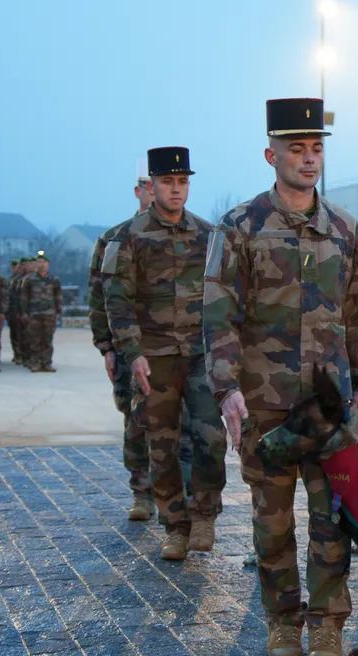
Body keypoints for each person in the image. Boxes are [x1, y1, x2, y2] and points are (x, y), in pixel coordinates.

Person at [204, 98, 358, 656]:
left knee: (334, 519)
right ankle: (282, 619)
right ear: (270, 154)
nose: (308, 159)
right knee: (271, 518)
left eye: (316, 148)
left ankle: (327, 626)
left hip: (330, 409)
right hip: (265, 404)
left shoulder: (347, 231)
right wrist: (227, 388)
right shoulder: (239, 228)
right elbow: (218, 315)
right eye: (296, 149)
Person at [105, 147, 228, 557]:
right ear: (152, 185)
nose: (176, 189)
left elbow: (225, 294)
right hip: (154, 356)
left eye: (183, 182)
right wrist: (130, 352)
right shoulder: (130, 236)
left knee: (210, 437)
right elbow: (117, 300)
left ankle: (205, 516)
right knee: (162, 444)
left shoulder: (209, 235)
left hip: (200, 353)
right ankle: (175, 526)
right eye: (168, 182)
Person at [90, 172, 157, 519]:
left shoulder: (196, 235)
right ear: (138, 191)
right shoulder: (115, 238)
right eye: (147, 185)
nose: (154, 190)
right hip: (129, 346)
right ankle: (142, 491)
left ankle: (177, 493)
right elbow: (99, 295)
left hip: (178, 347)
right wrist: (107, 347)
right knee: (136, 418)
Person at [19, 253, 61, 372]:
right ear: (36, 264)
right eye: (39, 262)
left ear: (48, 264)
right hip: (34, 314)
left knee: (47, 340)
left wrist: (58, 312)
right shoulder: (29, 279)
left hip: (49, 314)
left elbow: (58, 296)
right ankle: (36, 363)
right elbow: (24, 297)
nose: (41, 265)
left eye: (43, 263)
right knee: (34, 340)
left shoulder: (54, 279)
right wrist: (24, 313)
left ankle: (47, 363)